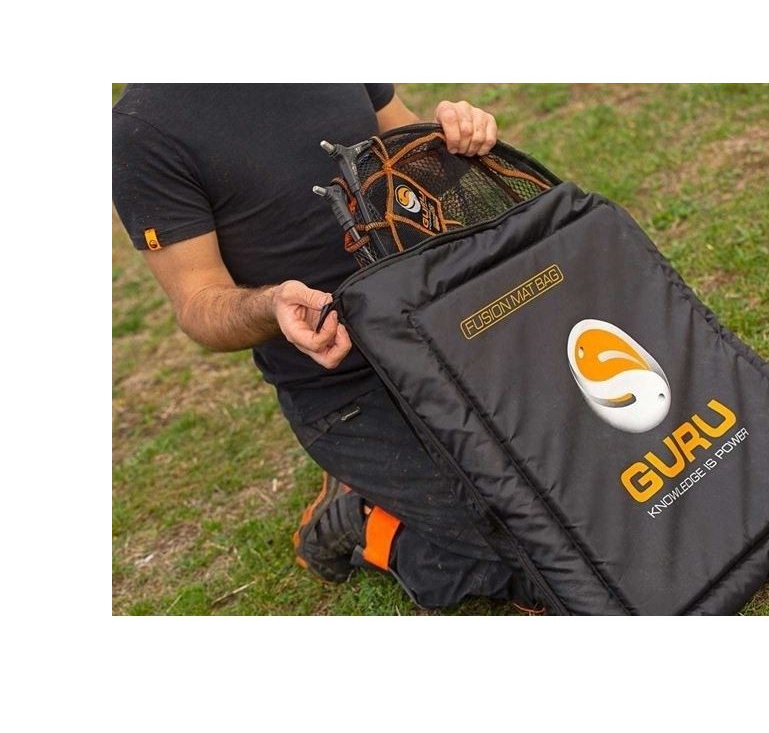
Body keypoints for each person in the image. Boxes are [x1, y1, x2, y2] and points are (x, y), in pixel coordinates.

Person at [112, 84, 539, 610]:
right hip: (346, 391)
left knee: (592, 483)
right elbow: (198, 303)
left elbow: (405, 150)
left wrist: (455, 133)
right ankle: (363, 521)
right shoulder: (143, 131)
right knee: (541, 554)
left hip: (444, 325)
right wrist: (270, 304)